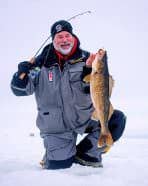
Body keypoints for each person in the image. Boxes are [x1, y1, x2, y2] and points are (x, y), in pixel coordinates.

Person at [11, 20, 126, 169]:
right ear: (53, 40)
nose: (64, 40)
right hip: (56, 127)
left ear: (73, 37)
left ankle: (87, 153)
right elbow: (19, 91)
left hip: (83, 119)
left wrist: (87, 71)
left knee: (116, 119)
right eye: (59, 37)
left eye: (67, 35)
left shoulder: (88, 60)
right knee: (60, 167)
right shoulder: (40, 65)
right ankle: (59, 153)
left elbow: (100, 88)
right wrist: (21, 74)